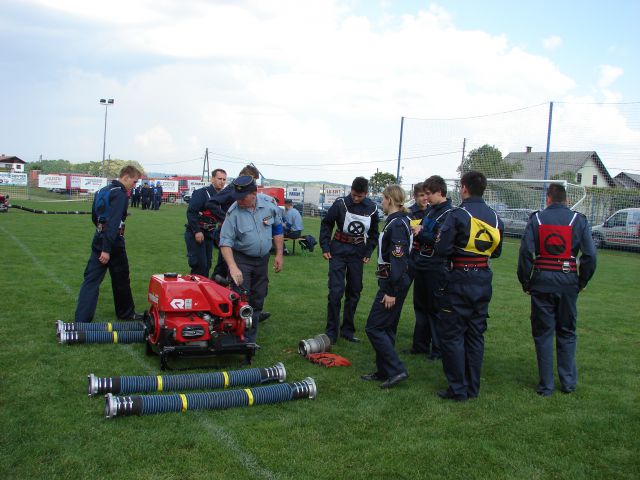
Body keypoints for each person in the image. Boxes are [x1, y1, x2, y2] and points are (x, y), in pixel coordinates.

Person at [517, 183, 596, 396]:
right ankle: (568, 383)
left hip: (542, 281)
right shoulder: (579, 220)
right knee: (567, 332)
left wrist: (525, 281)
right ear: (567, 200)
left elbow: (525, 253)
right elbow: (589, 256)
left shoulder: (537, 219)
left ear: (548, 199)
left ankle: (546, 386)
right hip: (568, 281)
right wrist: (581, 282)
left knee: (543, 333)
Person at [433, 171, 503, 401]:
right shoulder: (494, 217)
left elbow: (442, 249)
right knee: (475, 334)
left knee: (452, 334)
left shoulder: (458, 214)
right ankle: (473, 387)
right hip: (483, 278)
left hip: (459, 278)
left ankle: (458, 388)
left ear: (463, 188)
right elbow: (498, 251)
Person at [219, 175, 284, 344]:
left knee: (258, 298)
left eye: (243, 197)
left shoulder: (269, 205)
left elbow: (277, 228)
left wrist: (278, 254)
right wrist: (233, 267)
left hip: (262, 260)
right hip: (242, 260)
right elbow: (225, 242)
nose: (239, 200)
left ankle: (248, 339)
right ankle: (236, 338)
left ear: (254, 193)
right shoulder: (233, 212)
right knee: (240, 299)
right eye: (237, 197)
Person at [74, 165, 143, 323]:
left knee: (91, 280)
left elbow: (94, 217)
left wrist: (101, 234)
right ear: (125, 177)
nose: (135, 185)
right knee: (121, 279)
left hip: (98, 238)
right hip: (113, 243)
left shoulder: (102, 190)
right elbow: (113, 223)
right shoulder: (120, 194)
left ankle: (81, 320)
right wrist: (107, 249)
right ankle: (126, 313)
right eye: (134, 181)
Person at [362, 185, 412, 388]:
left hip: (393, 284)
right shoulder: (398, 221)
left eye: (383, 198)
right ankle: (384, 371)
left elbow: (398, 260)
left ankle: (397, 369)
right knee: (387, 328)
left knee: (373, 327)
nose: (381, 202)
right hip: (394, 281)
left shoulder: (398, 224)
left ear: (390, 200)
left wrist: (391, 291)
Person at [320, 176, 379, 344]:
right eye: (354, 195)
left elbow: (374, 234)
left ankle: (347, 330)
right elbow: (327, 224)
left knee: (354, 291)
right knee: (335, 292)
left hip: (358, 253)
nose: (356, 198)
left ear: (366, 194)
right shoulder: (340, 204)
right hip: (338, 251)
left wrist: (368, 251)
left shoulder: (373, 209)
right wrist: (325, 247)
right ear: (351, 190)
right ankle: (332, 331)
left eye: (360, 196)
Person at [408, 176, 452, 361]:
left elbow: (439, 240)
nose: (426, 198)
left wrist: (421, 233)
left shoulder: (449, 213)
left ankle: (438, 350)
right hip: (422, 263)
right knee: (420, 306)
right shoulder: (431, 211)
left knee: (435, 309)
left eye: (428, 194)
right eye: (423, 194)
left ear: (439, 192)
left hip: (436, 266)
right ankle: (420, 345)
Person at [184, 169, 227, 277]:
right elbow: (191, 212)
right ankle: (194, 292)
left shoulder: (222, 196)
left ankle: (202, 291)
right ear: (212, 179)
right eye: (219, 179)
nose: (222, 182)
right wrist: (197, 231)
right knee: (199, 266)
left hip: (209, 234)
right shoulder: (202, 193)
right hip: (196, 233)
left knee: (207, 265)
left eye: (224, 179)